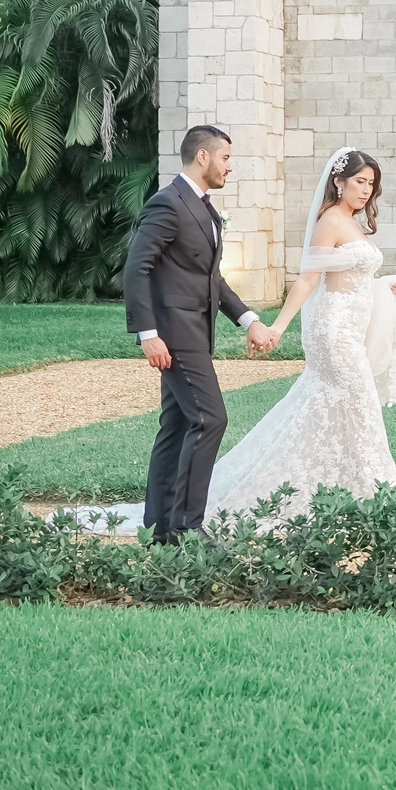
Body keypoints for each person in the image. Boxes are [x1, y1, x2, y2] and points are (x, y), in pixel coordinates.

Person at [196, 146, 396, 526]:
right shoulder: (330, 220)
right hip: (332, 331)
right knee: (360, 406)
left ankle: (348, 491)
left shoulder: (354, 222)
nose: (366, 190)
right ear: (338, 181)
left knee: (337, 411)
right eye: (359, 181)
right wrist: (277, 327)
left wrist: (387, 287)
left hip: (352, 328)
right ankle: (375, 495)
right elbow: (308, 278)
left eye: (371, 183)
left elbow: (355, 280)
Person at [121, 124, 277, 543]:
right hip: (174, 334)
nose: (231, 166)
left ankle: (160, 529)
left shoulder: (204, 207)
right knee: (210, 419)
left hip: (194, 332)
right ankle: (187, 529)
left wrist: (249, 320)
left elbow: (211, 279)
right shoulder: (167, 203)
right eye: (226, 157)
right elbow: (136, 269)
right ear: (203, 157)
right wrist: (147, 334)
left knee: (177, 426)